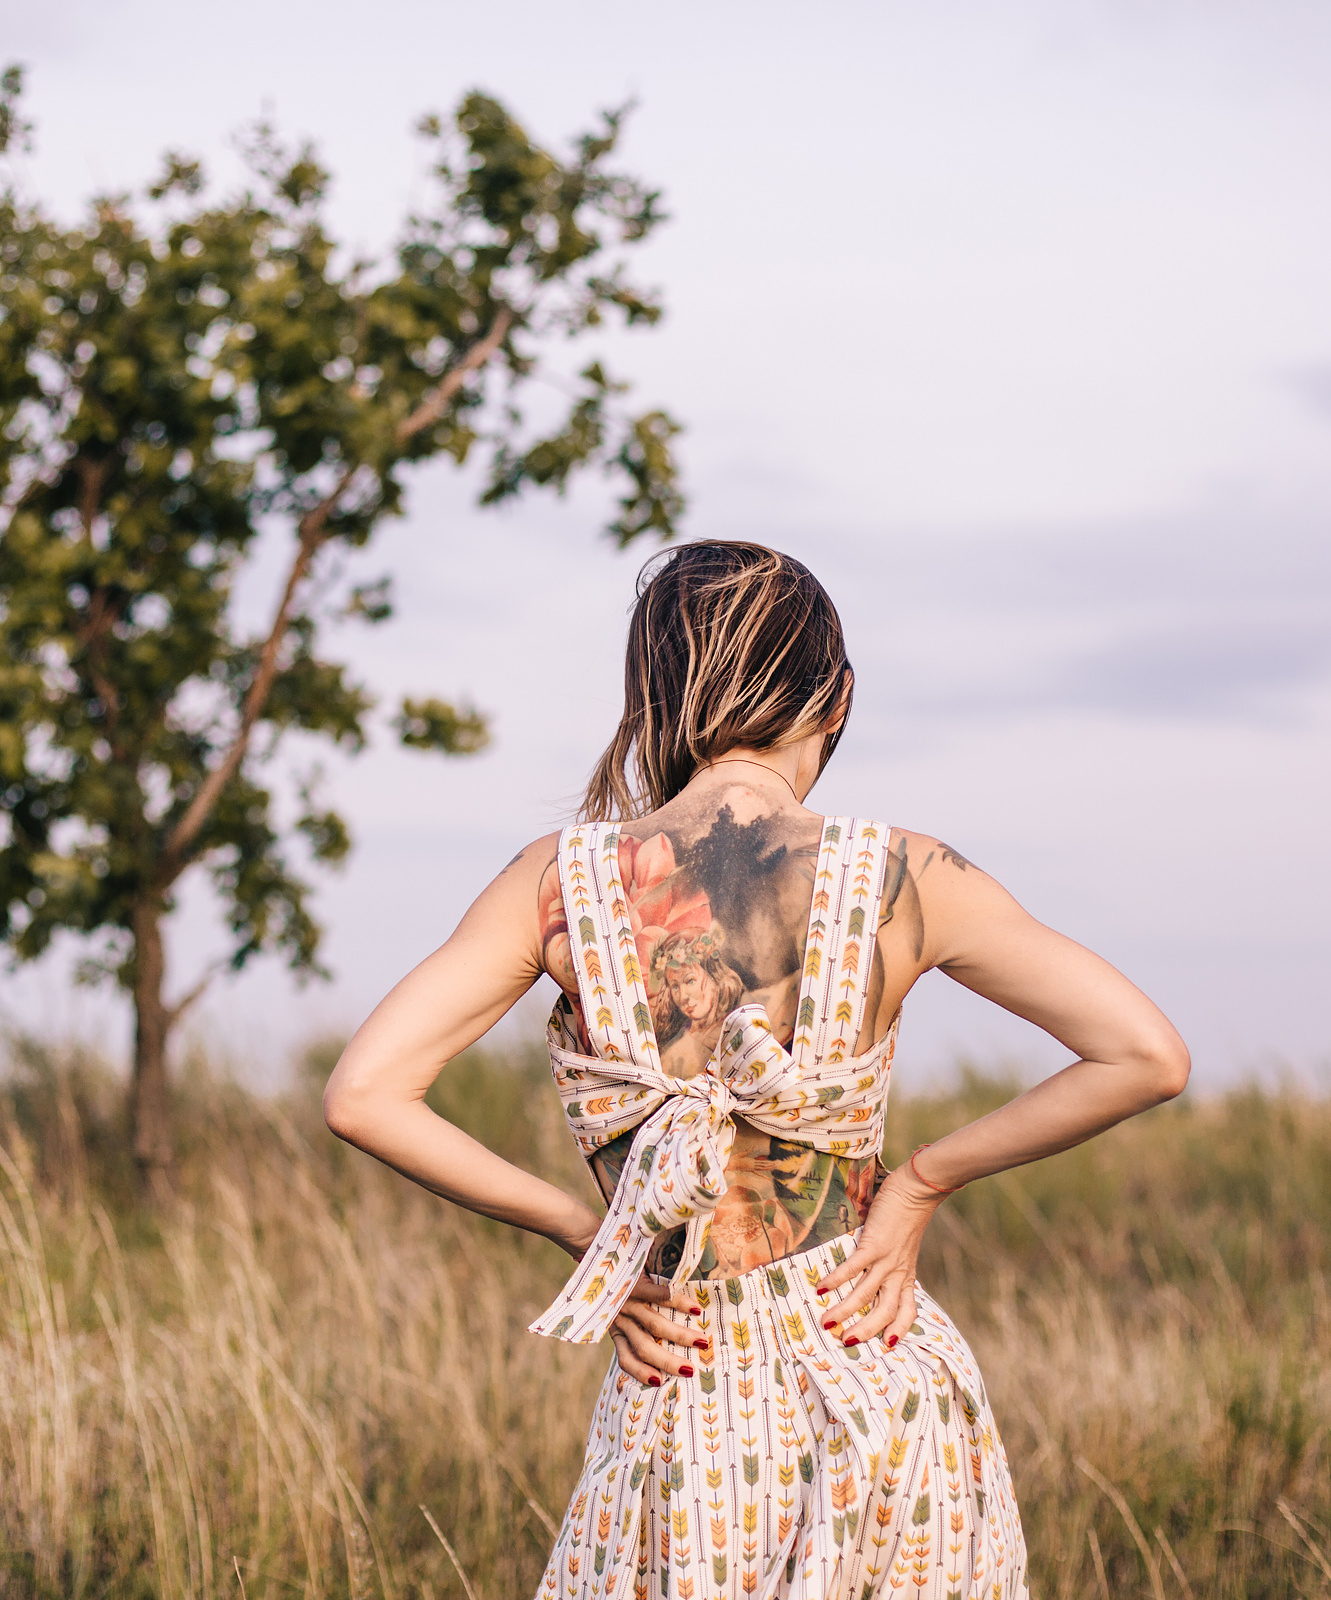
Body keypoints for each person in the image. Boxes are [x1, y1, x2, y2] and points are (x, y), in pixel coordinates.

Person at [324, 540, 1191, 1600]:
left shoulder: (558, 884)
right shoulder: (906, 874)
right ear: (838, 696)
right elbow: (1145, 1055)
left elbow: (364, 1095)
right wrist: (923, 1182)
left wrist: (586, 1238)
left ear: (652, 695)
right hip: (877, 1377)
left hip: (681, 1396)